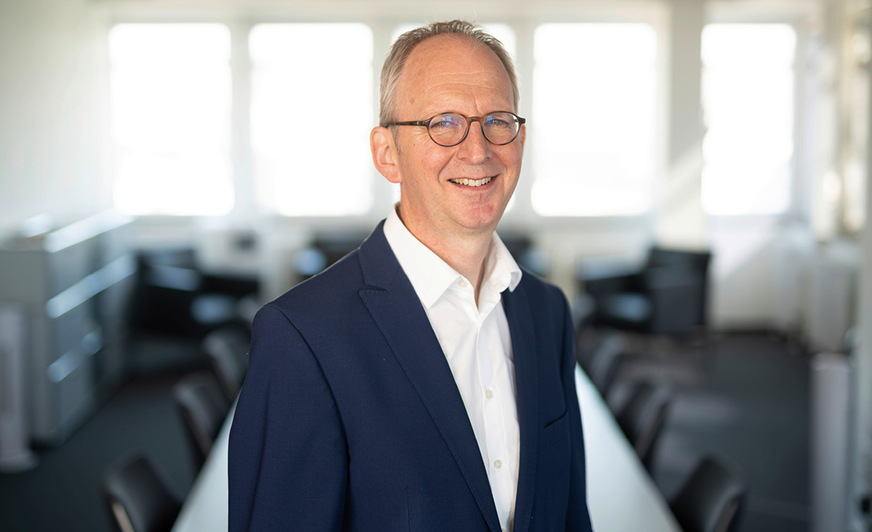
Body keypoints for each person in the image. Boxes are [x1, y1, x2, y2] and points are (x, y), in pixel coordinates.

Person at [229, 20, 593, 532]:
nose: (478, 151)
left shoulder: (546, 310)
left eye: (497, 120)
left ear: (521, 138)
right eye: (444, 122)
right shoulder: (302, 337)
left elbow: (571, 516)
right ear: (387, 154)